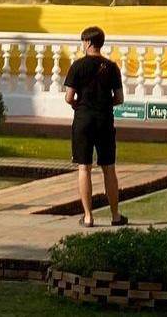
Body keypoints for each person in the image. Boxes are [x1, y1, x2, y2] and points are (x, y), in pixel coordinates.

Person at [63, 26, 126, 227]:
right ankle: (115, 215)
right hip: (104, 120)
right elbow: (119, 98)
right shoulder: (111, 67)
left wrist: (80, 105)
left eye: (83, 41)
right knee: (109, 168)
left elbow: (68, 97)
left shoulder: (77, 66)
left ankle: (88, 216)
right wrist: (103, 103)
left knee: (84, 167)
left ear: (88, 42)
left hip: (83, 120)